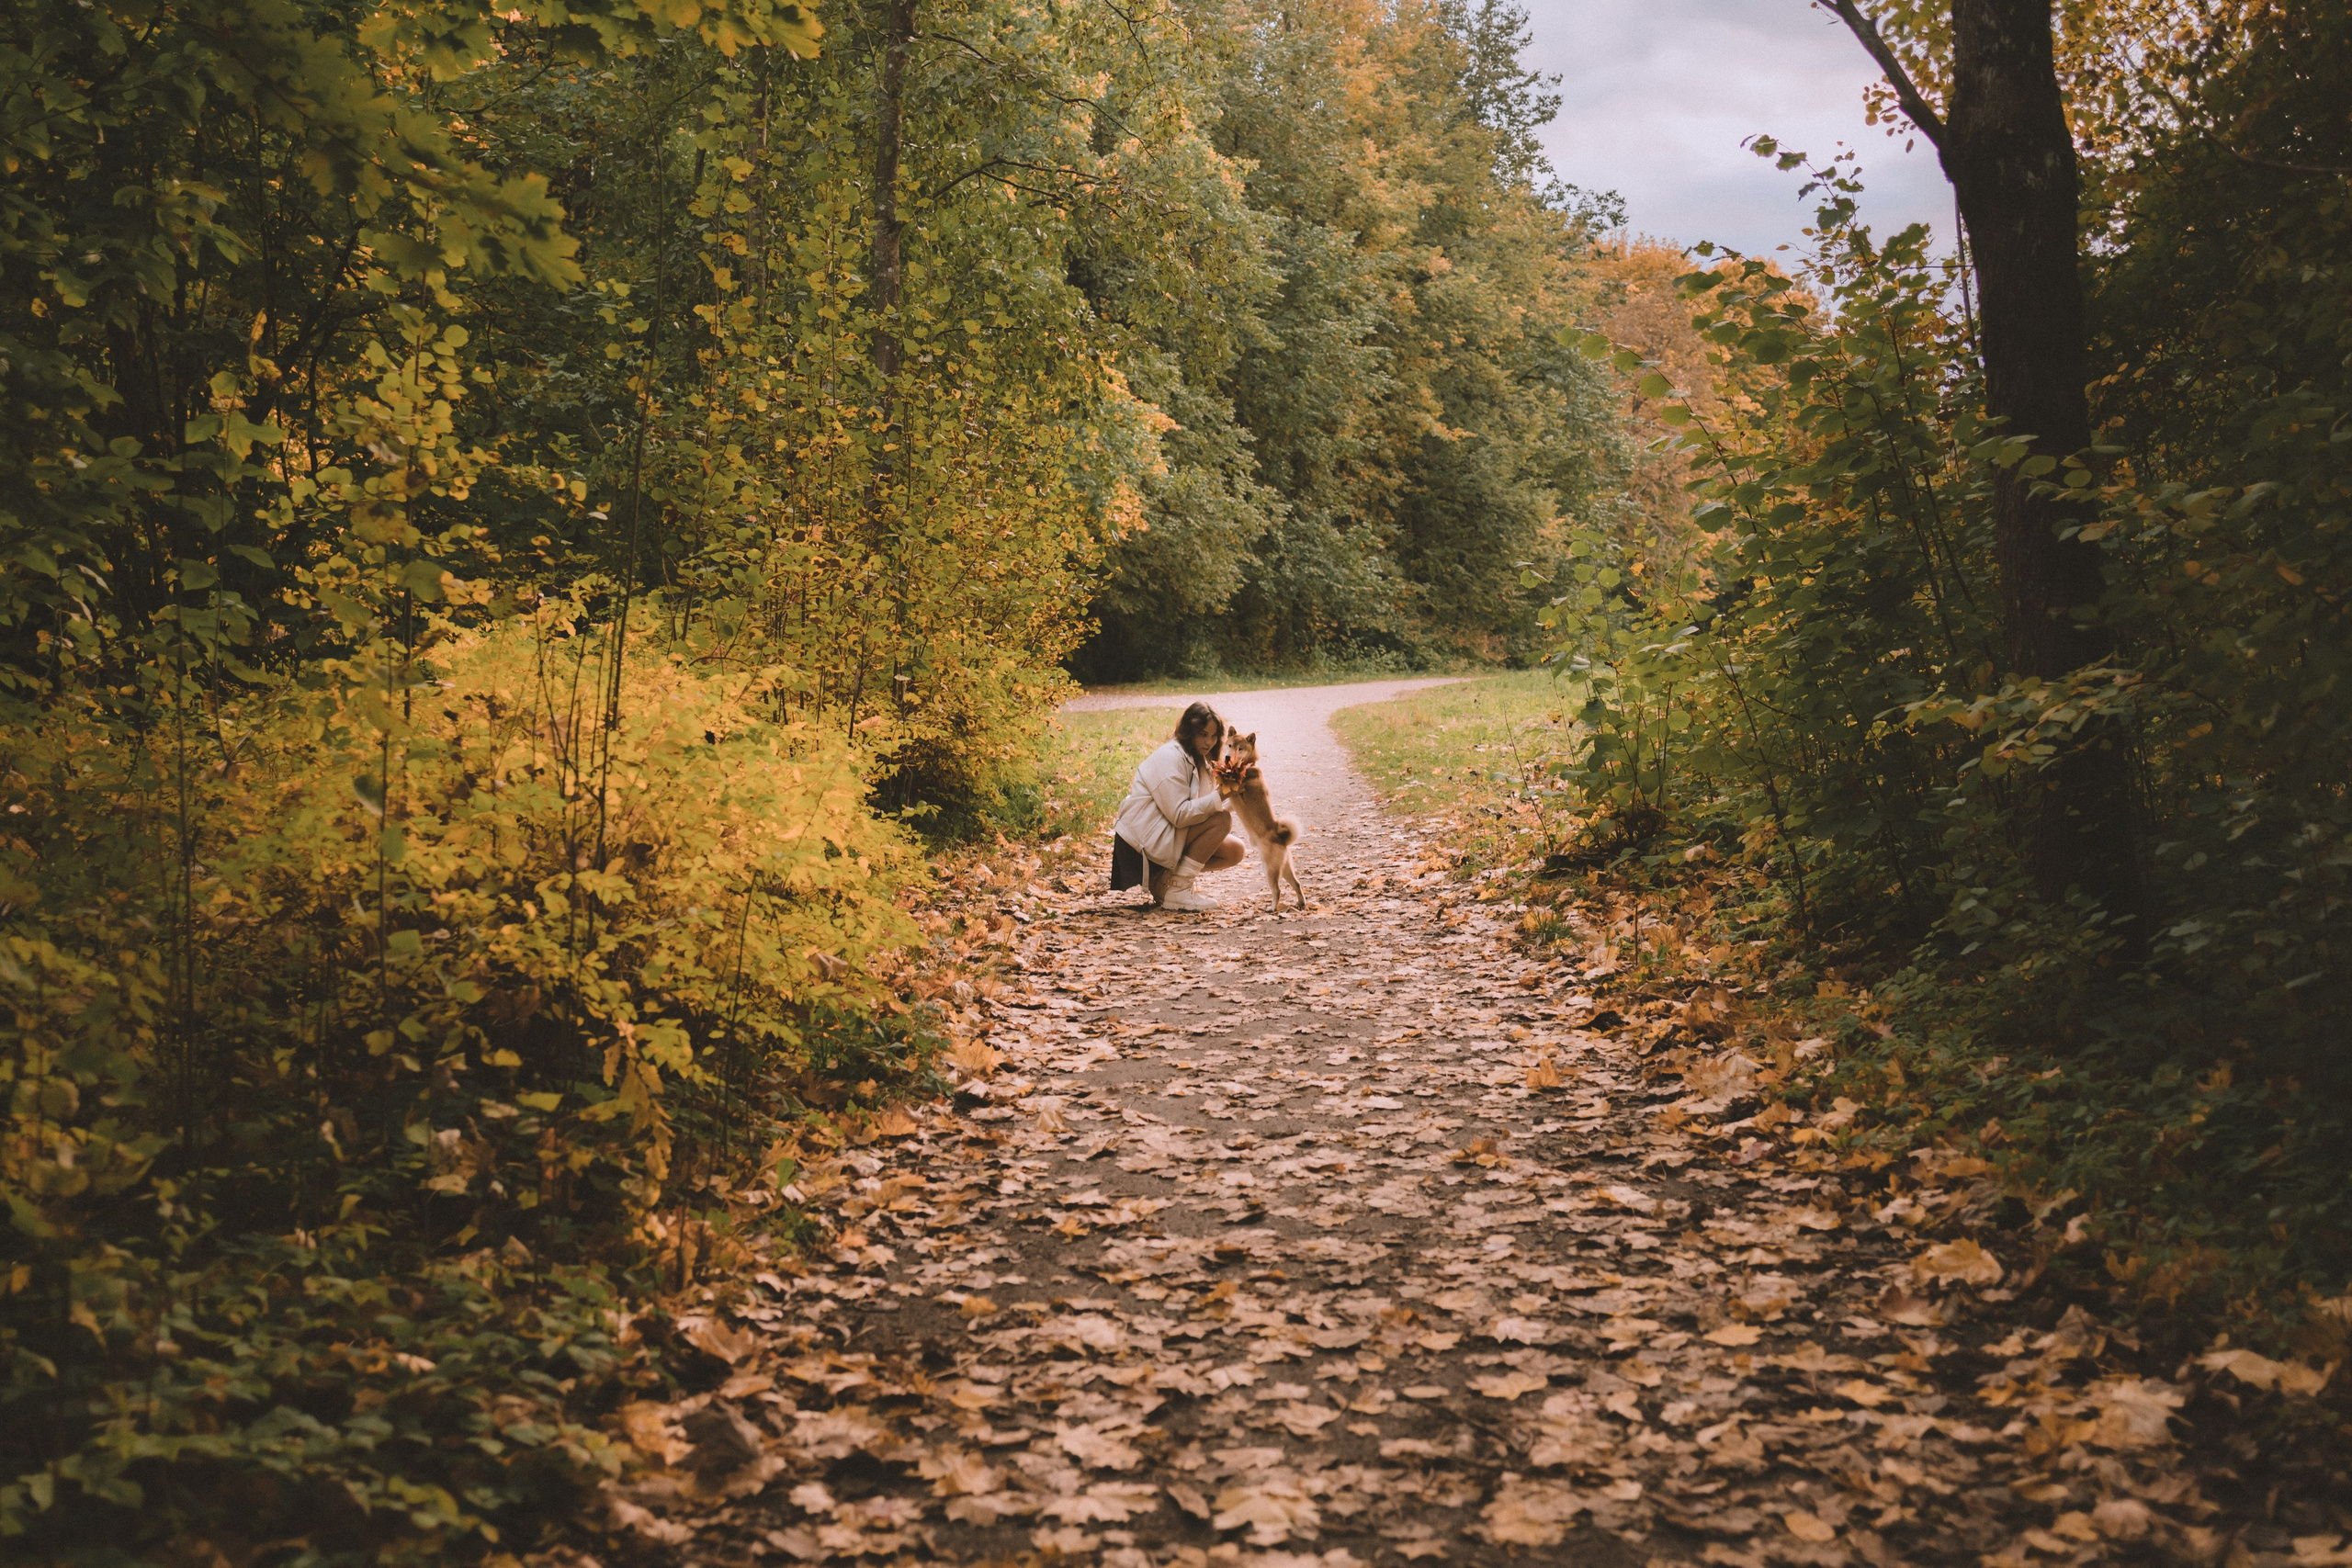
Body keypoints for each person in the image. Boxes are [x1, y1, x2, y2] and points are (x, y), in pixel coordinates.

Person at [1111, 701, 1245, 911]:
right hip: (1141, 842)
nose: (1209, 742)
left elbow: (1200, 808)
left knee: (1235, 851)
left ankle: (1166, 881)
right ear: (1189, 731)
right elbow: (1180, 815)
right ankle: (1179, 889)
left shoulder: (1199, 758)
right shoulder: (1170, 756)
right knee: (1221, 821)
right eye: (1203, 734)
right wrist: (1221, 795)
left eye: (1213, 735)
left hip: (1163, 833)